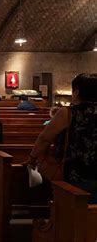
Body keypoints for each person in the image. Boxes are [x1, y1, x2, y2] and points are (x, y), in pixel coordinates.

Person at [27, 73, 97, 203]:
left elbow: (45, 138)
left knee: (70, 211)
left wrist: (32, 158)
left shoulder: (68, 113)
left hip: (74, 173)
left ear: (76, 92)